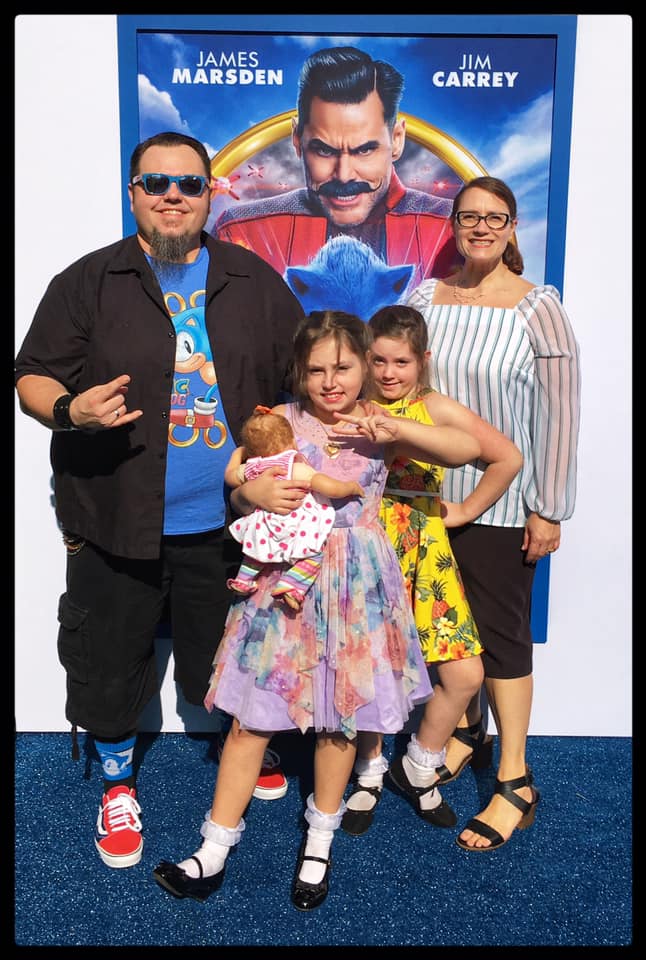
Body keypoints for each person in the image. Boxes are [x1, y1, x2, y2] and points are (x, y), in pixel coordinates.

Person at [14, 131, 306, 870]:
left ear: (212, 194)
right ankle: (117, 783)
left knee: (228, 655)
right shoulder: (89, 281)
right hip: (114, 517)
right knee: (110, 659)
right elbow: (33, 375)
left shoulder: (252, 279)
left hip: (231, 525)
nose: (173, 195)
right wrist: (69, 411)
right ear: (134, 193)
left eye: (188, 184)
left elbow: (302, 380)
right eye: (156, 183)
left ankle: (247, 747)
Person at [151, 310, 483, 910]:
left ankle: (319, 846)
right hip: (282, 587)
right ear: (299, 373)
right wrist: (250, 492)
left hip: (356, 591)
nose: (332, 382)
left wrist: (394, 433)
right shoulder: (279, 419)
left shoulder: (384, 421)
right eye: (317, 370)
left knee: (340, 722)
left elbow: (468, 449)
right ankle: (214, 848)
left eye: (345, 367)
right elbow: (233, 474)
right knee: (251, 721)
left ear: (363, 367)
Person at [406, 175, 581, 851]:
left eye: (494, 217)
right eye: (468, 216)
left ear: (512, 229)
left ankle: (514, 779)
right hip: (429, 501)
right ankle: (466, 733)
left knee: (502, 638)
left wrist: (549, 508)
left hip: (506, 505)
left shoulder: (540, 309)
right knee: (450, 637)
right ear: (453, 224)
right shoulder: (424, 298)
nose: (480, 227)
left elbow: (559, 414)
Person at [340, 304, 523, 836]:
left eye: (401, 361)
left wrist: (465, 511)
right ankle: (369, 770)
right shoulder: (350, 404)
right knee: (371, 666)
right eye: (378, 360)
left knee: (465, 673)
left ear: (423, 360)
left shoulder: (436, 407)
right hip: (369, 546)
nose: (388, 372)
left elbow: (505, 457)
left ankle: (419, 764)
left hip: (426, 545)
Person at [214, 46, 458, 285]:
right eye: (324, 150)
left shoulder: (454, 229)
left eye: (364, 150)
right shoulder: (241, 231)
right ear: (297, 139)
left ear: (397, 140)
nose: (344, 175)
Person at [224, 404, 364, 608]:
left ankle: (243, 580)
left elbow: (230, 477)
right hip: (292, 522)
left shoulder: (252, 467)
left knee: (256, 549)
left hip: (264, 522)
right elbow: (328, 487)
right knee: (313, 553)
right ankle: (291, 585)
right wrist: (349, 487)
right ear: (291, 441)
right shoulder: (294, 466)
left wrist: (238, 453)